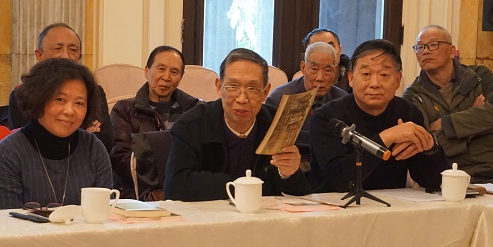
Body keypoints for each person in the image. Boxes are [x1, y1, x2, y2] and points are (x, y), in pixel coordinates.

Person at [164, 48, 310, 201]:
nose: (242, 99)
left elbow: (302, 194)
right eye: (233, 86)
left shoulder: (278, 124)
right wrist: (242, 187)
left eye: (252, 88)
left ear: (265, 92)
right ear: (219, 87)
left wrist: (289, 173)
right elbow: (176, 186)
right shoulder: (191, 125)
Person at [310, 39, 448, 194]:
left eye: (384, 75)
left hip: (392, 204)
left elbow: (433, 182)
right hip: (333, 205)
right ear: (351, 78)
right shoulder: (327, 117)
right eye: (366, 74)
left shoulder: (408, 113)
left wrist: (430, 148)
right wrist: (387, 137)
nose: (374, 83)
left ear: (397, 80)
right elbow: (339, 181)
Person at [0, 58, 112, 210]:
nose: (69, 111)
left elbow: (104, 214)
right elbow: (6, 219)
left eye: (79, 103)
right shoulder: (8, 153)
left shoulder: (93, 148)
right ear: (38, 99)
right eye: (60, 99)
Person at [403, 24, 493, 184]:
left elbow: (491, 116)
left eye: (433, 44)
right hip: (443, 177)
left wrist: (444, 124)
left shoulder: (480, 77)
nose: (425, 51)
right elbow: (424, 147)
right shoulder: (412, 96)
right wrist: (474, 126)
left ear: (451, 51)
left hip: (489, 175)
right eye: (419, 47)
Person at [110, 46, 200, 199]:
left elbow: (201, 157)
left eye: (174, 72)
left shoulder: (194, 109)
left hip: (186, 194)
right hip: (139, 196)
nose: (166, 77)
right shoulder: (124, 109)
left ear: (181, 77)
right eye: (161, 69)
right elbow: (121, 159)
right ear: (147, 71)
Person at [8, 22, 114, 151]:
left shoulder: (93, 91)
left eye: (72, 50)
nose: (65, 56)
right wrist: (84, 134)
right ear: (39, 55)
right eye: (57, 49)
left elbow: (105, 142)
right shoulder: (23, 93)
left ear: (79, 57)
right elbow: (26, 142)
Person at [266, 42, 347, 173]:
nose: (320, 78)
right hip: (292, 172)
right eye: (314, 69)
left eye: (327, 71)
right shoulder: (279, 99)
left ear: (335, 71)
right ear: (303, 67)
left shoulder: (342, 101)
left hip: (330, 171)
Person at [302, 27, 351, 92]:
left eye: (331, 47)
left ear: (340, 50)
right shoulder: (295, 88)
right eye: (317, 48)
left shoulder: (355, 76)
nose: (325, 52)